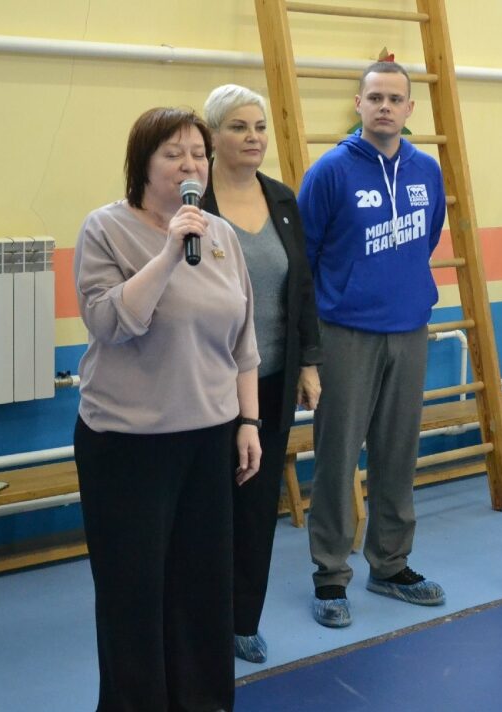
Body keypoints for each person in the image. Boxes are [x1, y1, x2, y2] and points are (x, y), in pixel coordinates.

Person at [73, 107, 261, 711]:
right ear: (143, 163)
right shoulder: (106, 228)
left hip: (208, 436)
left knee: (203, 589)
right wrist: (170, 252)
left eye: (198, 154)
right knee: (133, 595)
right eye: (174, 154)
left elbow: (243, 342)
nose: (190, 166)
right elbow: (110, 322)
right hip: (128, 444)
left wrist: (249, 421)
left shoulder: (221, 234)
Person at [299, 61, 446, 627]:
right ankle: (330, 575)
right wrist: (310, 351)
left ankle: (390, 563)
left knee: (398, 454)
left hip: (408, 332)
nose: (385, 107)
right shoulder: (329, 172)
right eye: (375, 97)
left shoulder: (426, 170)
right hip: (345, 335)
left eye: (395, 99)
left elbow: (426, 238)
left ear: (410, 109)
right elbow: (305, 260)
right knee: (337, 457)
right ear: (358, 104)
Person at [202, 84, 323, 664]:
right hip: (205, 385)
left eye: (259, 127)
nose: (253, 138)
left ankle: (241, 621)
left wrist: (309, 362)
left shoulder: (282, 199)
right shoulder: (192, 203)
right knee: (206, 508)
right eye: (238, 127)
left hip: (272, 380)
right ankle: (199, 622)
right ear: (212, 136)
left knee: (255, 510)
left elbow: (302, 287)